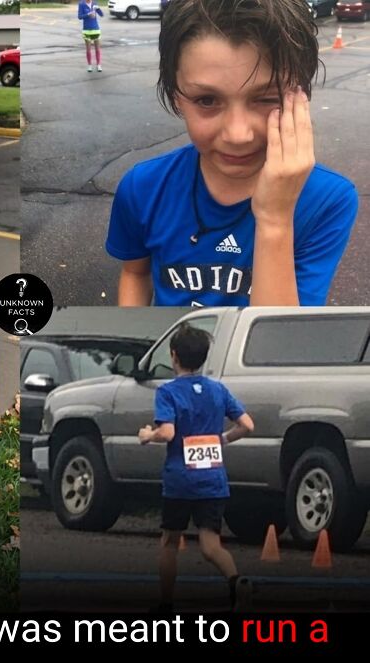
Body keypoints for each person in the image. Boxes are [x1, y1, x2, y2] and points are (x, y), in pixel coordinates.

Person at [106, 0, 358, 306]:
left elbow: (278, 342)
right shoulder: (142, 187)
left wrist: (275, 221)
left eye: (267, 98)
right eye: (207, 100)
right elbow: (135, 274)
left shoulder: (328, 200)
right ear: (176, 99)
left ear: (301, 96)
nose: (238, 135)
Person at [138, 324, 254, 611]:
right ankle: (237, 581)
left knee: (169, 541)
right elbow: (247, 425)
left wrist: (146, 436)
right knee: (211, 545)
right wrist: (222, 439)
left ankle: (166, 603)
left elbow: (167, 433)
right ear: (203, 357)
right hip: (213, 480)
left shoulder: (168, 392)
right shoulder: (217, 390)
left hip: (179, 480)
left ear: (173, 355)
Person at [78, 0, 103, 73]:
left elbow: (101, 15)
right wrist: (88, 14)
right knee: (88, 49)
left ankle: (98, 65)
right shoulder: (81, 4)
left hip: (95, 29)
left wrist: (98, 9)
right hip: (86, 30)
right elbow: (79, 17)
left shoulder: (95, 3)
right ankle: (89, 65)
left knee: (97, 48)